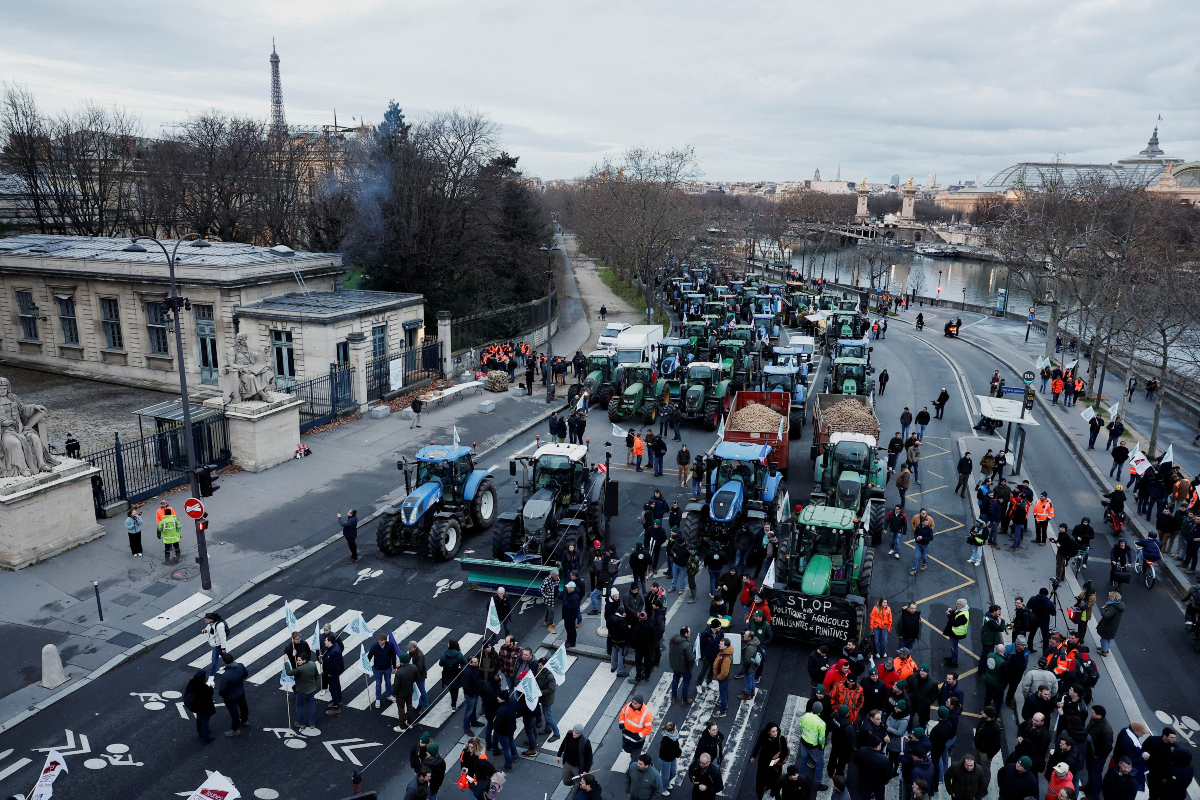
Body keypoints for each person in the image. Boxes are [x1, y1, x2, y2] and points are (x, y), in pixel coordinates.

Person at [750, 722, 790, 800]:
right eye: (773, 731)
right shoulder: (763, 735)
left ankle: (774, 791)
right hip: (764, 760)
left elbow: (784, 751)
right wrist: (754, 756)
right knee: (761, 778)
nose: (775, 733)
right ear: (768, 732)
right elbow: (758, 744)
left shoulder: (780, 738)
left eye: (776, 731)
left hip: (774, 761)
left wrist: (778, 759)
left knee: (774, 777)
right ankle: (760, 794)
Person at [283, 652, 320, 734]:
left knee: (299, 706)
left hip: (302, 691)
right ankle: (312, 723)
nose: (297, 661)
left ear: (304, 660)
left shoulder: (300, 669)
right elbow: (317, 675)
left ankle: (301, 723)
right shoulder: (312, 664)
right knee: (311, 705)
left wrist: (286, 661)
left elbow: (289, 672)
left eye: (299, 660)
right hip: (311, 689)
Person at [797, 702, 828, 792]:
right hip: (813, 747)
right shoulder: (821, 724)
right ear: (820, 711)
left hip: (804, 741)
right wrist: (821, 747)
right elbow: (822, 739)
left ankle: (802, 777)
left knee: (804, 759)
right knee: (820, 764)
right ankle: (817, 784)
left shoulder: (805, 716)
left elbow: (801, 727)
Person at [556, 724, 594, 790]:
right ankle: (579, 784)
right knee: (565, 781)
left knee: (577, 785)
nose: (574, 733)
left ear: (580, 734)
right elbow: (563, 743)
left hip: (577, 767)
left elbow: (589, 757)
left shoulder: (585, 742)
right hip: (568, 763)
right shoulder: (569, 734)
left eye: (576, 733)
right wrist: (559, 755)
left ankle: (578, 790)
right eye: (573, 731)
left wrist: (586, 770)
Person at [183, 669, 217, 743]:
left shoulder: (191, 683)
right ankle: (205, 737)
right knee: (205, 721)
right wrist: (211, 687)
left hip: (195, 706)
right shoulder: (203, 687)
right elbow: (209, 694)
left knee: (199, 718)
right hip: (204, 707)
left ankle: (200, 731)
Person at [943, 599, 969, 667]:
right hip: (954, 633)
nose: (956, 605)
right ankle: (953, 658)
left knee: (954, 648)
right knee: (953, 647)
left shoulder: (963, 615)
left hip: (956, 634)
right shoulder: (962, 610)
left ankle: (954, 662)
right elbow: (957, 614)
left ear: (962, 606)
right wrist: (952, 611)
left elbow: (955, 623)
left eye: (958, 604)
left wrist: (949, 615)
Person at [202, 612, 228, 678]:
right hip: (215, 644)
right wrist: (205, 630)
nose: (205, 620)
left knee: (214, 661)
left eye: (206, 619)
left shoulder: (219, 626)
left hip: (217, 645)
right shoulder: (212, 623)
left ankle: (211, 676)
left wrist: (223, 648)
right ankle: (233, 666)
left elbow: (222, 637)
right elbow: (209, 627)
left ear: (211, 619)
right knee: (226, 657)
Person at [910, 509, 935, 575]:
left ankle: (924, 564)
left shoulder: (929, 529)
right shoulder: (918, 527)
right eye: (926, 523)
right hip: (918, 543)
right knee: (916, 556)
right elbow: (915, 533)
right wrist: (916, 538)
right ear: (922, 523)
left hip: (925, 544)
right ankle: (914, 569)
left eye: (927, 523)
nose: (927, 524)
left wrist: (922, 538)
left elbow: (931, 538)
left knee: (924, 555)